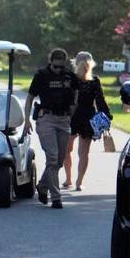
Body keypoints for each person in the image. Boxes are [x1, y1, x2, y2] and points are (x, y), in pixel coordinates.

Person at [23, 48, 79, 209]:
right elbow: (30, 98)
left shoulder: (69, 76)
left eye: (61, 67)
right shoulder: (41, 75)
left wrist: (72, 109)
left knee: (60, 160)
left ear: (65, 64)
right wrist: (27, 120)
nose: (58, 70)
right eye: (55, 66)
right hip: (46, 119)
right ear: (50, 63)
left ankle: (42, 185)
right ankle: (56, 197)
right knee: (53, 158)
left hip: (63, 120)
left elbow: (76, 93)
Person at [62, 51, 112, 191]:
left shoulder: (70, 79)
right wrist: (107, 115)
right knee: (84, 153)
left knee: (67, 150)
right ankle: (79, 182)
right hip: (88, 118)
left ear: (75, 62)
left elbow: (66, 99)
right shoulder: (94, 80)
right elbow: (100, 101)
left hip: (71, 117)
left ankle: (68, 179)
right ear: (92, 63)